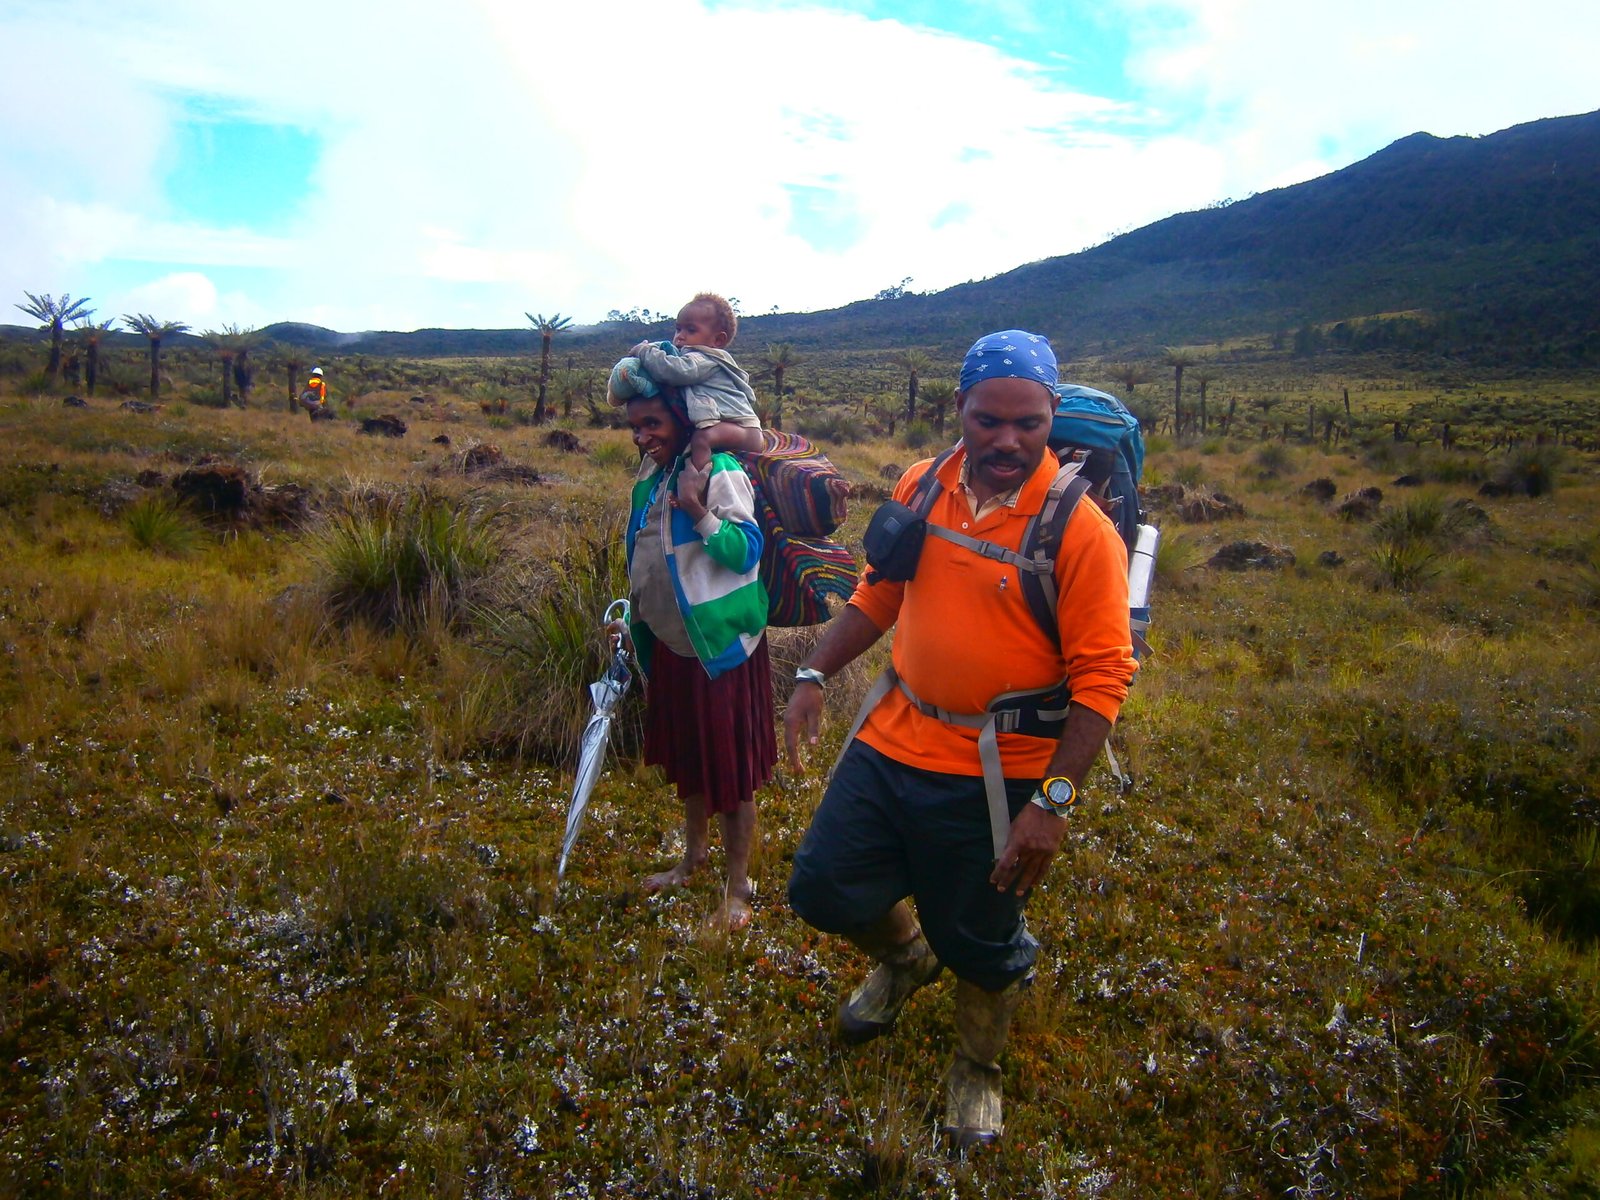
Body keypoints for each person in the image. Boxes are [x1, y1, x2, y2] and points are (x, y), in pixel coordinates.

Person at [784, 330, 1138, 1150]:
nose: (1007, 441)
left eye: (1029, 424)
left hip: (1000, 772)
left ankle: (978, 1069)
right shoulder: (922, 484)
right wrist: (812, 673)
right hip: (892, 737)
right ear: (959, 410)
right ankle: (908, 959)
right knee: (824, 890)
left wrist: (1051, 804)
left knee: (979, 938)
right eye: (988, 421)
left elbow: (1103, 680)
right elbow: (880, 593)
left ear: (1051, 415)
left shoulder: (1079, 531)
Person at [620, 387, 777, 929]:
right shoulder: (655, 472)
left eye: (653, 423)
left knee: (730, 770)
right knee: (690, 757)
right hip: (673, 643)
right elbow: (650, 548)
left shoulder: (721, 470)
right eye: (635, 427)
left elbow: (746, 550)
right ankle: (693, 858)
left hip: (718, 649)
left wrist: (696, 509)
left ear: (682, 419)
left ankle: (738, 887)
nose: (642, 436)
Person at [626, 293, 764, 471]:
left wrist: (644, 351)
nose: (680, 336)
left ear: (717, 340)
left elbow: (673, 371)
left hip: (745, 432)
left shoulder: (705, 358)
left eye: (691, 330)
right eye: (678, 329)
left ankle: (696, 478)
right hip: (730, 429)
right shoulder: (695, 359)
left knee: (701, 439)